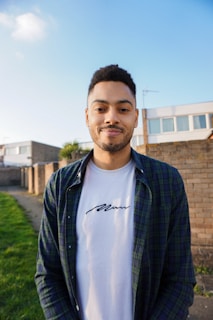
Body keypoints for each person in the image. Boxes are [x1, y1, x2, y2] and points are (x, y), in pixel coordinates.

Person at [35, 64, 196, 319]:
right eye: (101, 108)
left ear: (135, 116)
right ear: (87, 116)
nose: (112, 117)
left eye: (123, 109)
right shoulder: (60, 184)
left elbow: (180, 280)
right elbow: (48, 274)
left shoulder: (167, 181)